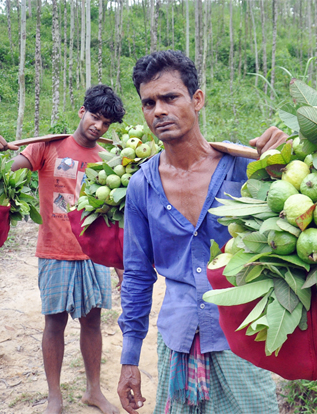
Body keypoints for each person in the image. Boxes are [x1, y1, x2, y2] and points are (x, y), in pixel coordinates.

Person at [116, 50, 287, 414]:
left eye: (170, 97)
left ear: (197, 100)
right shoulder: (141, 187)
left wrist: (289, 162)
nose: (158, 110)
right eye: (149, 103)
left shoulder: (246, 169)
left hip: (242, 336)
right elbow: (136, 275)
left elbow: (295, 229)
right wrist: (129, 359)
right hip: (177, 339)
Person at [0, 84, 123, 414]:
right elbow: (3, 171)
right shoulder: (47, 148)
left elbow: (113, 217)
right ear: (82, 112)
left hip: (94, 255)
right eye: (95, 117)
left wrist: (119, 263)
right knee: (54, 324)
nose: (98, 126)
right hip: (54, 250)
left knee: (92, 323)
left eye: (106, 123)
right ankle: (54, 397)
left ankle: (94, 390)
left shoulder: (109, 160)